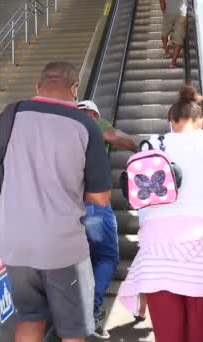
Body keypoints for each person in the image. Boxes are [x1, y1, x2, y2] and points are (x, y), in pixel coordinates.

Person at [0, 62, 112, 342]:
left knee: (30, 318)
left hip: (15, 245)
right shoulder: (85, 125)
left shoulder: (9, 116)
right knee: (72, 330)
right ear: (74, 89)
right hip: (63, 247)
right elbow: (101, 197)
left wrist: (0, 183)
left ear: (38, 87)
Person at [117, 85, 203, 342]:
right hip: (199, 247)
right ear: (201, 121)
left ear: (170, 122)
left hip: (156, 249)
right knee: (197, 332)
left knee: (168, 334)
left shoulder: (149, 144)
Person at [77, 100, 137, 339]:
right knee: (106, 257)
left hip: (66, 208)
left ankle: (71, 315)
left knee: (80, 260)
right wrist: (137, 148)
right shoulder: (90, 119)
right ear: (93, 113)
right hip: (93, 208)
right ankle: (91, 312)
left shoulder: (62, 125)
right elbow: (112, 134)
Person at [159, 0, 188, 68]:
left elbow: (161, 1)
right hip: (182, 13)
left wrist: (164, 11)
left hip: (169, 11)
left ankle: (167, 52)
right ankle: (173, 62)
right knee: (179, 38)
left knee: (164, 34)